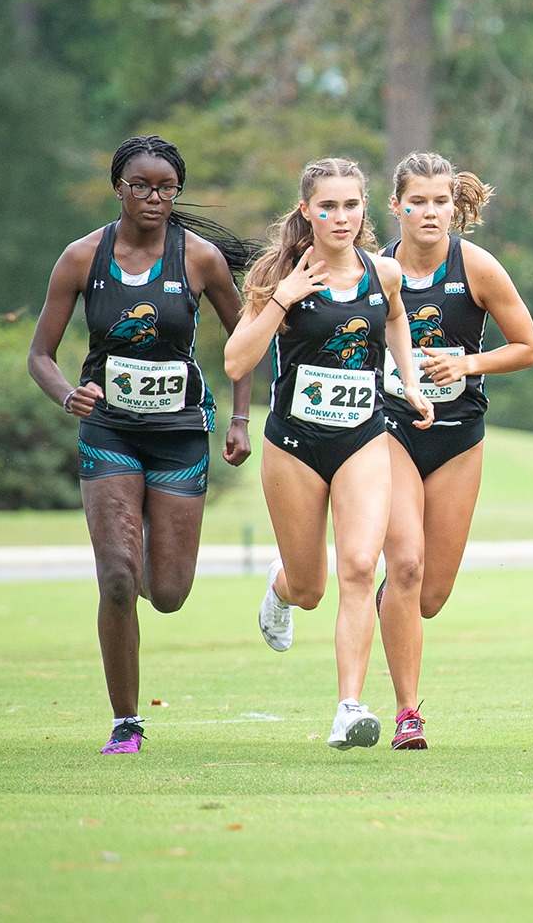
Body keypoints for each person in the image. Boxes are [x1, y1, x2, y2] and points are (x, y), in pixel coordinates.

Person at [28, 135, 257, 755]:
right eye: (141, 186)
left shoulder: (201, 259)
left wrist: (239, 419)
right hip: (110, 430)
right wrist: (68, 395)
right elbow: (40, 355)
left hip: (180, 433)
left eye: (166, 188)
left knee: (169, 593)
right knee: (117, 578)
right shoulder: (81, 258)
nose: (154, 198)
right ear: (119, 189)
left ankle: (151, 542)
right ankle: (125, 722)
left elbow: (245, 342)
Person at [226, 157, 433, 751]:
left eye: (350, 205)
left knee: (361, 566)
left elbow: (396, 322)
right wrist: (283, 299)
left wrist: (409, 381)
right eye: (327, 207)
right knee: (311, 587)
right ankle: (281, 587)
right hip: (294, 445)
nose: (341, 217)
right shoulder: (279, 273)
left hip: (363, 437)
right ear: (307, 211)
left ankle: (349, 708)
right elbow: (237, 361)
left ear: (365, 208)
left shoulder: (383, 272)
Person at [375, 152, 533, 750]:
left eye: (440, 201)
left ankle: (387, 600)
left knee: (431, 595)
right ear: (396, 206)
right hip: (388, 429)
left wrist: (468, 363)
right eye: (417, 201)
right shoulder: (372, 268)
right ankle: (407, 713)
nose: (429, 212)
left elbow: (528, 347)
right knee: (407, 566)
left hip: (458, 437)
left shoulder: (477, 267)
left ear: (454, 206)